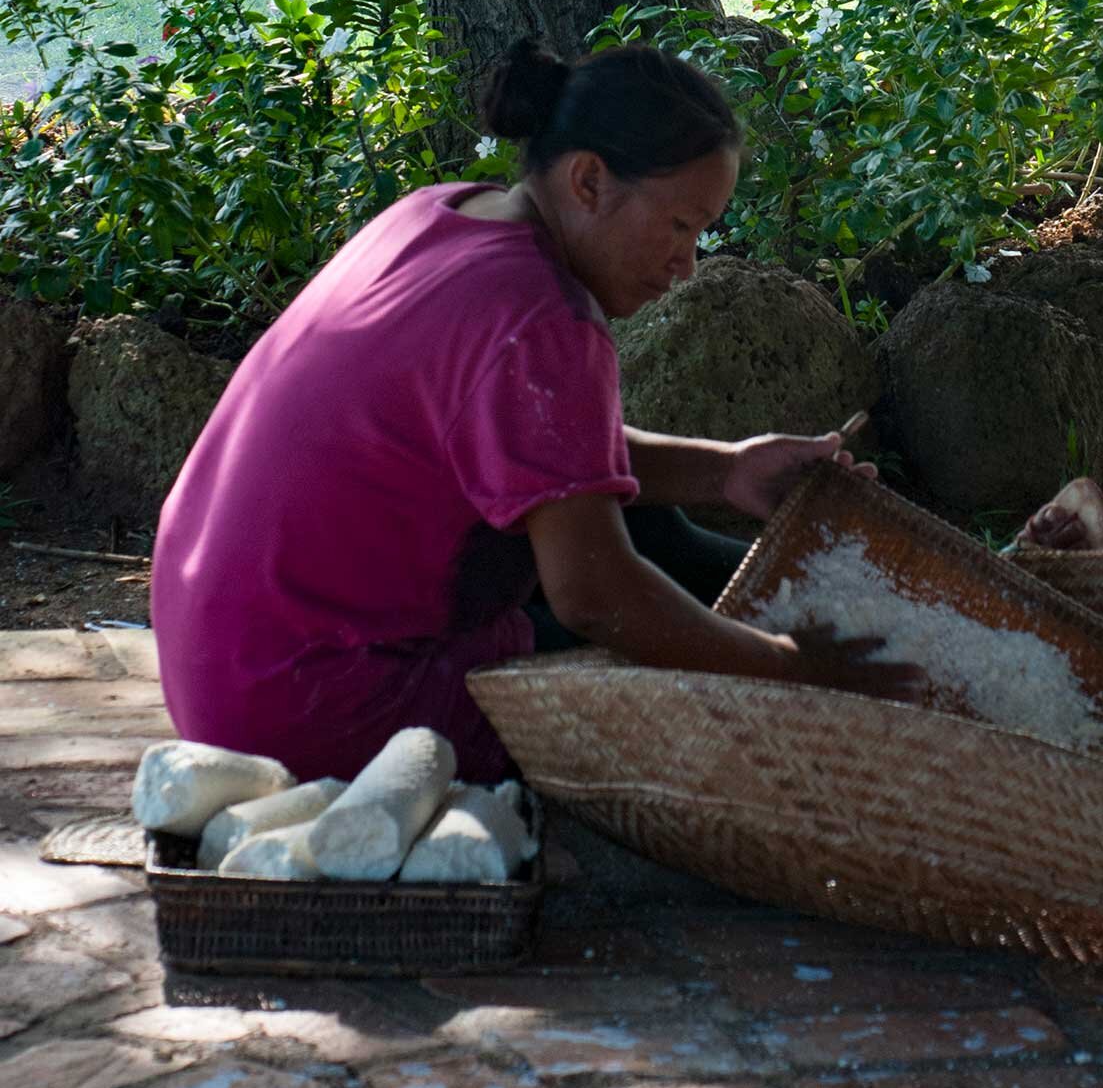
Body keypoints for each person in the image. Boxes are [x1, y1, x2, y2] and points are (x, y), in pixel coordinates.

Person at [151, 40, 922, 786]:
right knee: (650, 639)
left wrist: (726, 471)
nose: (687, 267)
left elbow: (541, 449)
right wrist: (790, 669)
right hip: (315, 707)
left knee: (629, 517)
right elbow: (596, 599)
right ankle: (832, 641)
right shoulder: (540, 317)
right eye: (681, 227)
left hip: (220, 662)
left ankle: (822, 623)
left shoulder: (440, 214)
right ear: (589, 181)